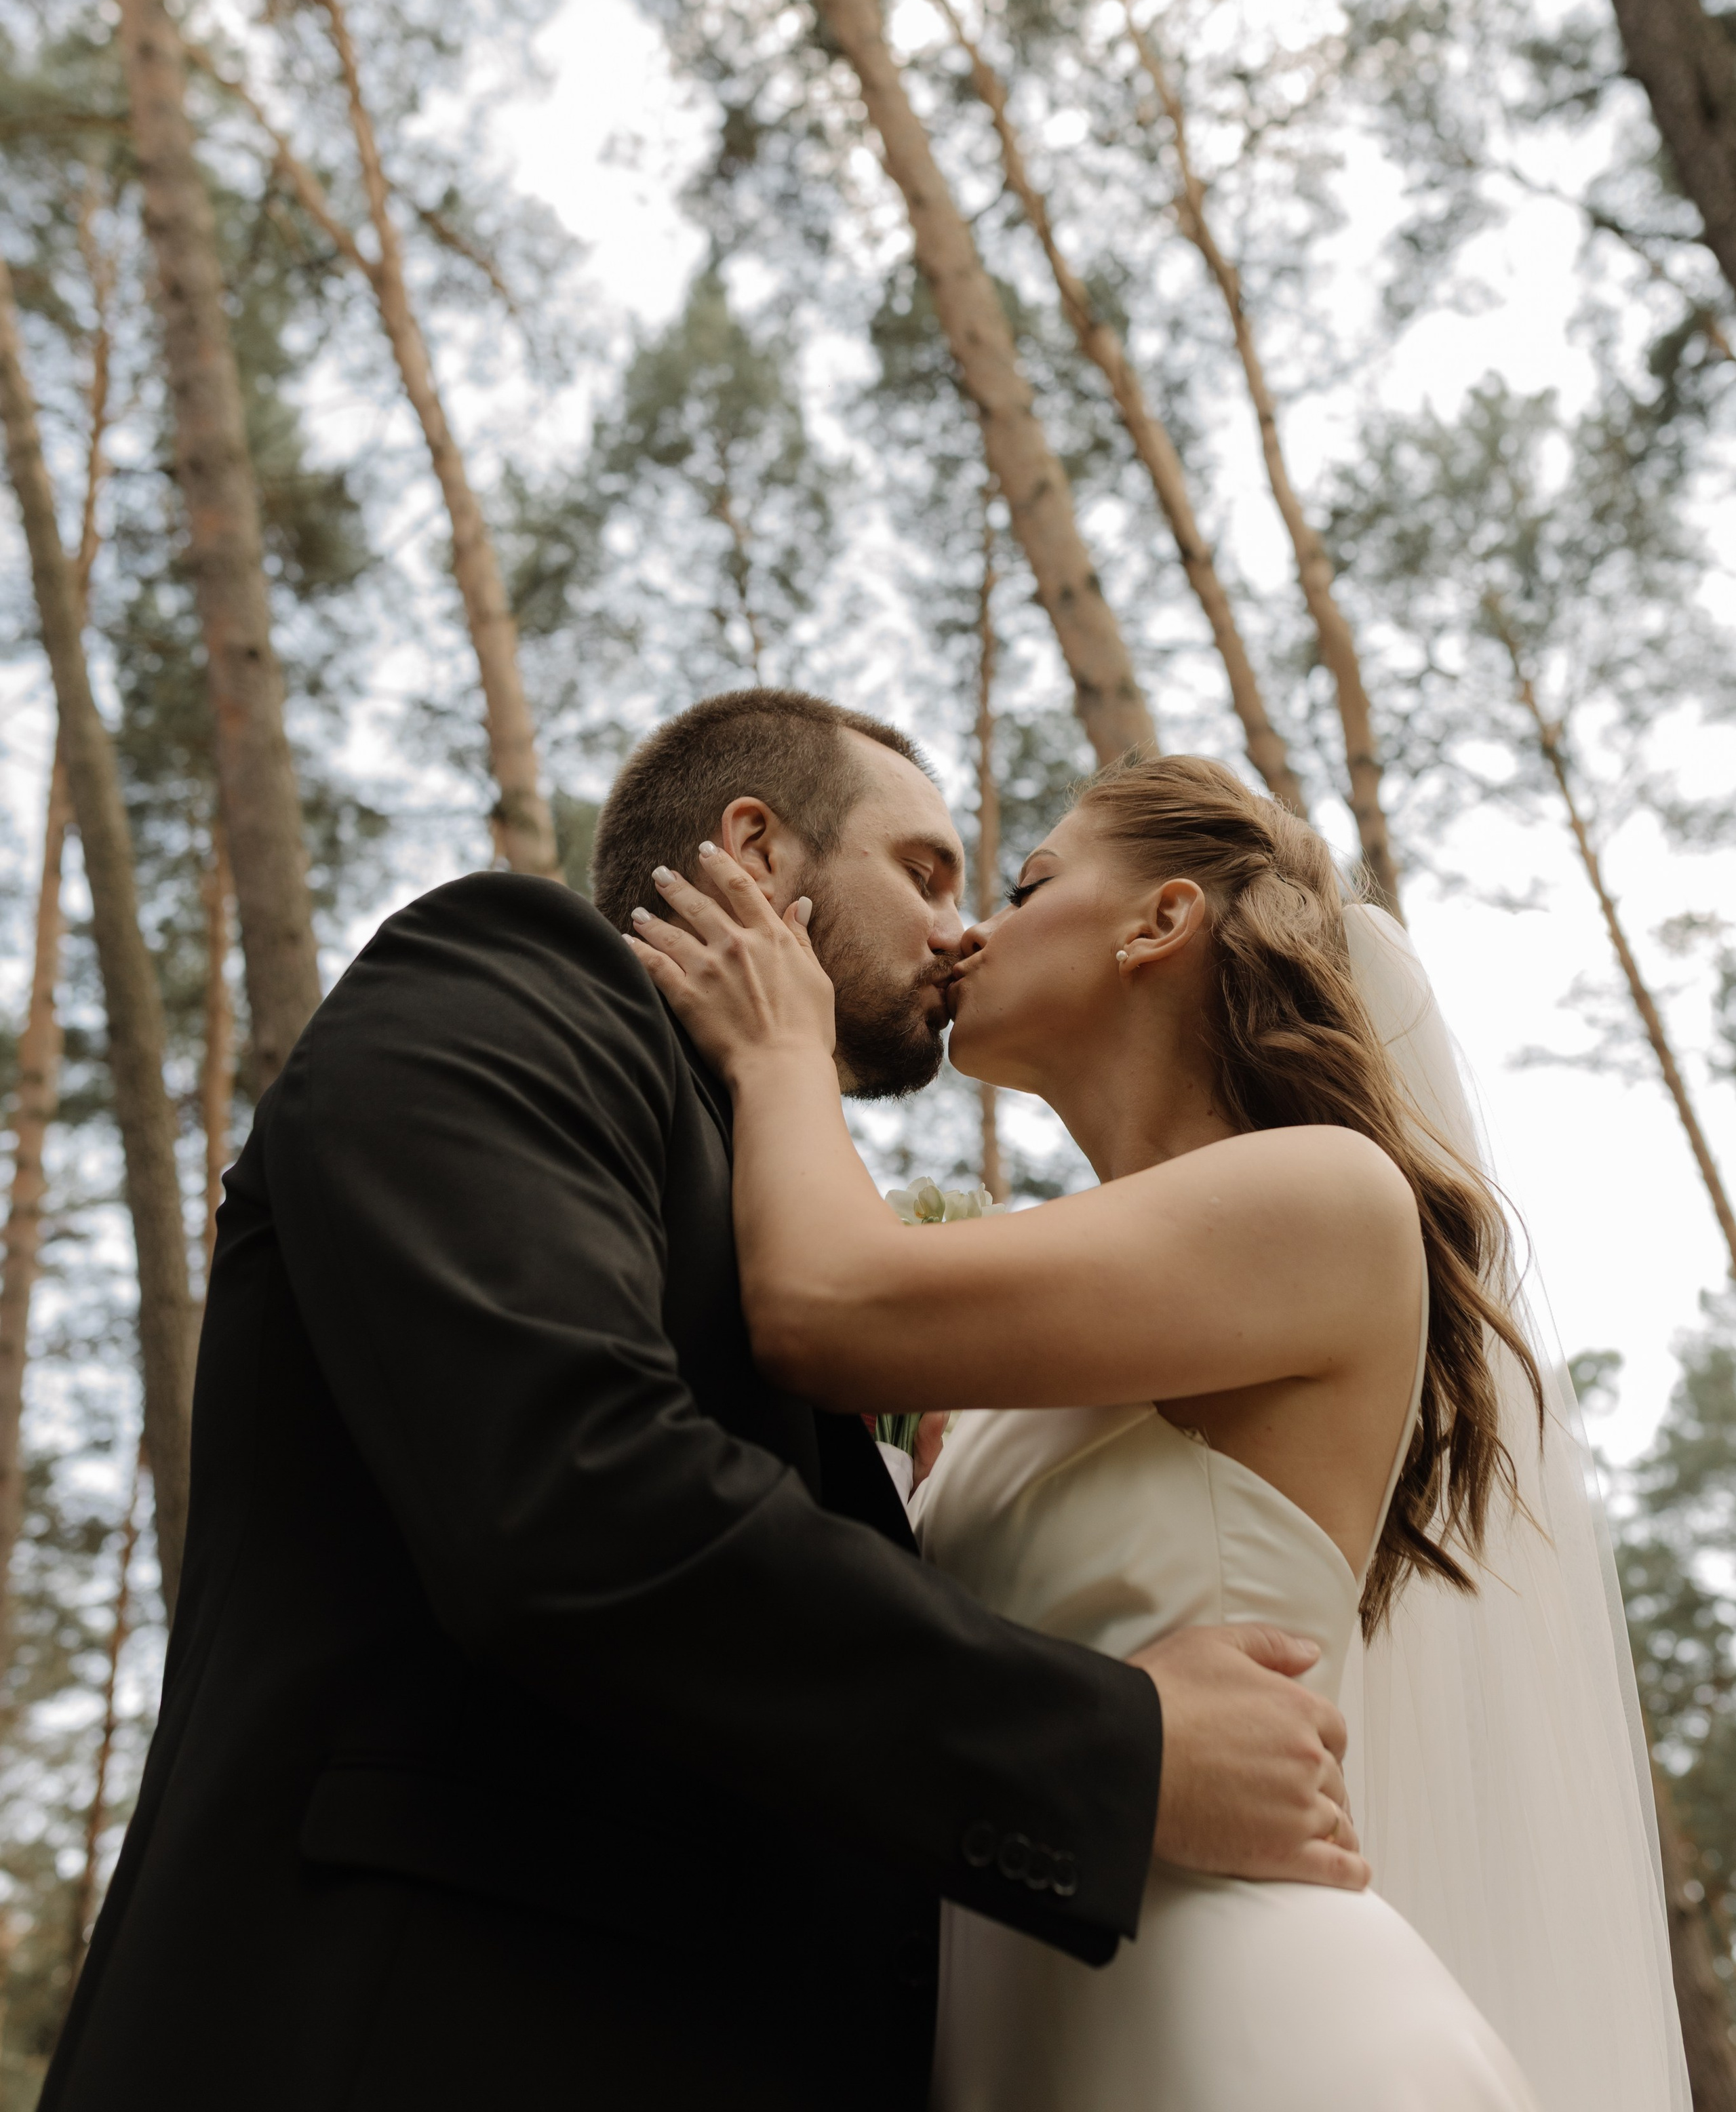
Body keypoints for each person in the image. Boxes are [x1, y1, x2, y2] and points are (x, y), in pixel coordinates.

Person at [42, 694, 1362, 2112]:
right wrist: (1116, 1748)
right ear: (755, 851)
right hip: (410, 2032)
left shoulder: (810, 1215)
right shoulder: (512, 975)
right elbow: (572, 1488)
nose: (958, 931)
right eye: (922, 872)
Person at [631, 745, 1690, 2111]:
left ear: (1158, 922)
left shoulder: (1325, 1197)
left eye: (1024, 885)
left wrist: (783, 1047)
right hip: (1037, 2036)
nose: (964, 933)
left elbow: (825, 1303)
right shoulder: (1065, 1329)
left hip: (1255, 2032)